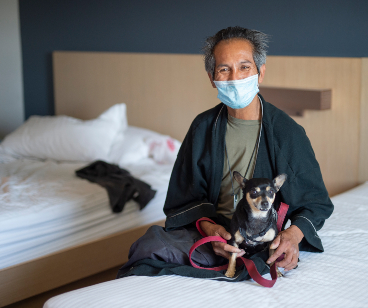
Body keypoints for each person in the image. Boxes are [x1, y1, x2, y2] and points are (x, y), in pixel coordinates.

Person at [117, 26, 334, 280]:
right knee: (149, 245)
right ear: (212, 78)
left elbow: (315, 202)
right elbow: (184, 199)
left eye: (244, 67)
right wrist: (210, 231)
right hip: (214, 235)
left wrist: (291, 236)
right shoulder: (202, 127)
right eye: (224, 69)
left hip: (263, 237)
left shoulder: (288, 133)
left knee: (269, 254)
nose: (234, 78)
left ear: (260, 72)